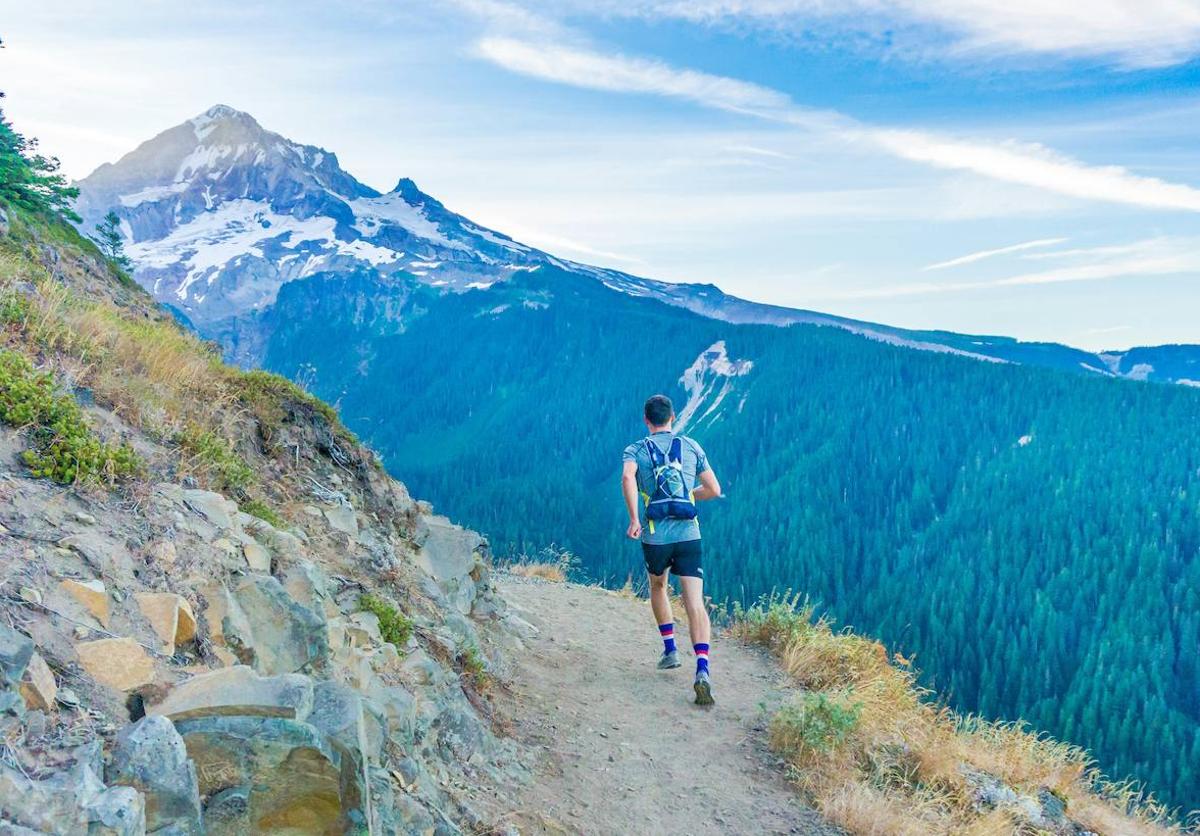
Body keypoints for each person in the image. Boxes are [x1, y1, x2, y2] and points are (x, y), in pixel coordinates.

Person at [622, 394, 722, 706]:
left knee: (658, 585)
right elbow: (714, 490)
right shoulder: (692, 446)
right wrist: (688, 496)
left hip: (656, 536)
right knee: (695, 602)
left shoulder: (635, 449)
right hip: (689, 534)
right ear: (673, 417)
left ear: (646, 419)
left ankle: (670, 649)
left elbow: (627, 476)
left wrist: (635, 518)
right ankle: (702, 670)